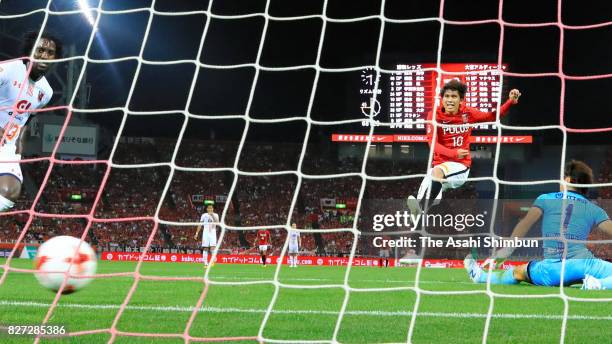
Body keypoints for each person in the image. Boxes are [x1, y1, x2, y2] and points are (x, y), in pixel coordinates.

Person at [464, 160, 612, 290]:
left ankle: (480, 277)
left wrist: (506, 251)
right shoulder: (594, 208)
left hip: (551, 270)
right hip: (583, 264)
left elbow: (524, 224)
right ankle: (598, 284)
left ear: (567, 179)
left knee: (518, 272)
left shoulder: (545, 198)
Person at [407, 79, 521, 214]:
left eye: (454, 96)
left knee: (433, 179)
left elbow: (492, 116)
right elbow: (432, 143)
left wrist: (510, 102)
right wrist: (453, 153)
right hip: (441, 164)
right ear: (442, 99)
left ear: (461, 100)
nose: (449, 99)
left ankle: (421, 208)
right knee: (422, 194)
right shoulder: (434, 115)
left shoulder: (468, 113)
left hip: (460, 166)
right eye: (447, 96)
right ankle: (419, 217)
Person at [0, 31, 61, 212]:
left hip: (6, 147)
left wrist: (19, 147)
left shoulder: (46, 92)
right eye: (40, 50)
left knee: (9, 192)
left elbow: (26, 119)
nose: (45, 55)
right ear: (29, 51)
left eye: (50, 53)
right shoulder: (8, 69)